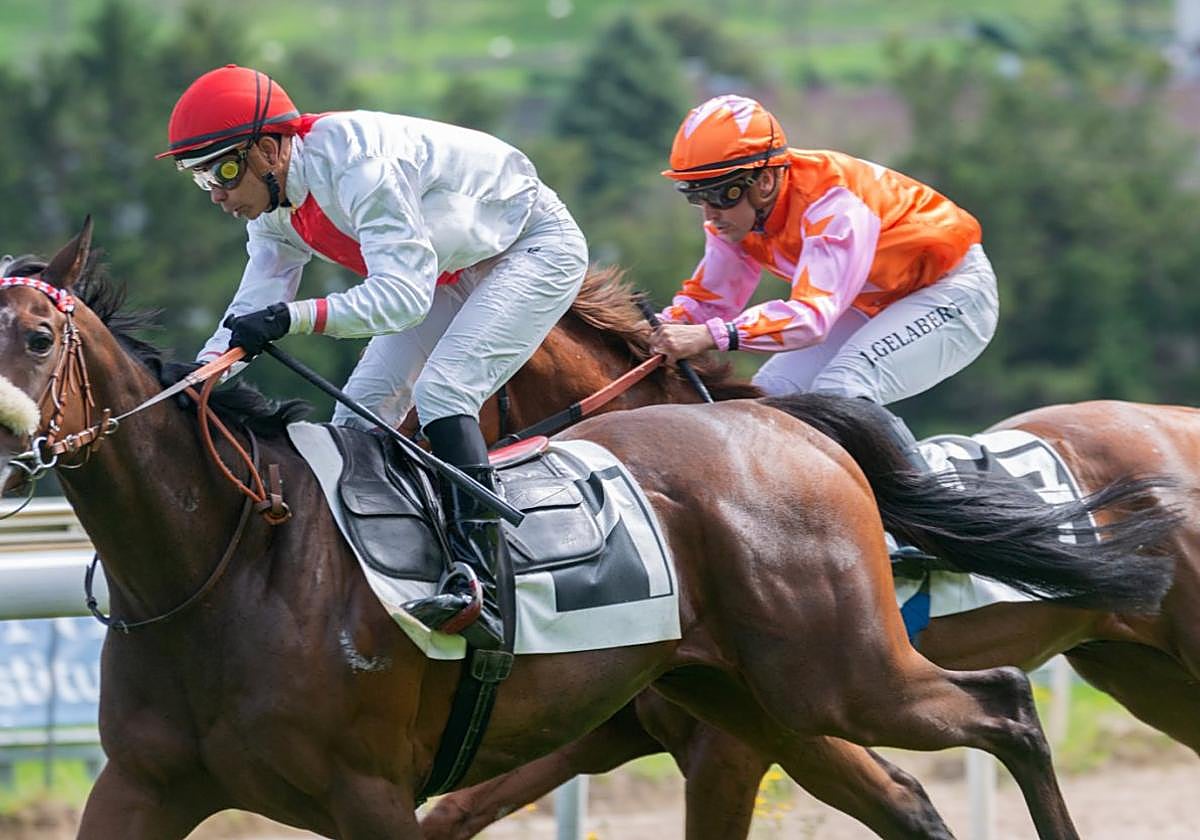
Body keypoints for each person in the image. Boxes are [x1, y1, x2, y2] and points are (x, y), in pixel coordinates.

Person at [158, 64, 588, 649]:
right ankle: (376, 571)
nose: (217, 193)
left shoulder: (357, 167)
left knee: (443, 392)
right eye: (199, 176)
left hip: (530, 247)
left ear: (267, 149)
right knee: (356, 419)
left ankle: (482, 583)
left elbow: (403, 298)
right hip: (448, 269)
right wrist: (199, 380)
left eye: (223, 169)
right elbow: (253, 305)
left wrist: (294, 318)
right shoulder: (274, 205)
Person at [649, 94, 999, 470]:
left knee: (843, 387)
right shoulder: (736, 219)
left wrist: (711, 336)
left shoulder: (832, 204)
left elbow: (811, 320)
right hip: (874, 302)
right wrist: (658, 329)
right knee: (767, 405)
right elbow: (709, 302)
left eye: (719, 194)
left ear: (764, 181)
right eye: (696, 196)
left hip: (953, 293)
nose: (710, 213)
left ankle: (930, 508)